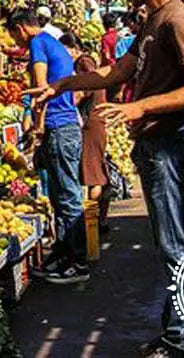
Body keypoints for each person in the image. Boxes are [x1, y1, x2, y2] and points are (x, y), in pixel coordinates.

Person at [28, 0, 184, 358]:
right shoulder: (152, 21)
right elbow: (116, 72)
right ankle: (176, 331)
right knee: (169, 243)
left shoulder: (177, 20)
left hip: (167, 143)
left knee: (174, 245)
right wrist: (62, 84)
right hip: (153, 145)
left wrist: (139, 108)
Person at [6, 10, 87, 284]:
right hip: (64, 127)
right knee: (59, 197)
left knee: (67, 196)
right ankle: (63, 257)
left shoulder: (38, 43)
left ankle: (78, 261)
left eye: (13, 36)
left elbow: (41, 89)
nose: (16, 43)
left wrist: (36, 129)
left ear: (19, 28)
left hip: (60, 128)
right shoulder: (54, 42)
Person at [60, 33, 111, 233]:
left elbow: (88, 83)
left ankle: (92, 222)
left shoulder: (83, 61)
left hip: (91, 122)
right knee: (96, 169)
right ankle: (99, 220)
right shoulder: (85, 61)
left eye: (65, 51)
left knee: (93, 174)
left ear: (73, 48)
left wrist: (72, 97)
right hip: (95, 120)